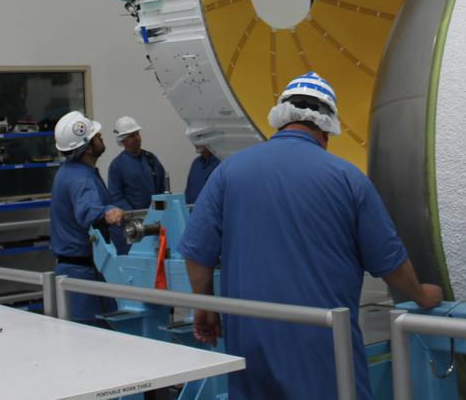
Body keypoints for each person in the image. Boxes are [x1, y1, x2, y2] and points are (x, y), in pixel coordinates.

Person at [179, 72, 442, 400]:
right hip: (324, 348)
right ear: (327, 130)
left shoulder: (229, 171)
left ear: (281, 120)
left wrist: (204, 307)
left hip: (251, 347)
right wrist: (420, 295)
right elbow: (390, 263)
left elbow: (197, 253)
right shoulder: (348, 179)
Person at [49, 110, 125, 324]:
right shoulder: (80, 178)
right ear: (87, 147)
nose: (101, 137)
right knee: (93, 339)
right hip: (83, 274)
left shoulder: (70, 172)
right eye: (97, 136)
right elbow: (88, 211)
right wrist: (108, 213)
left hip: (78, 270)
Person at [107, 116, 168, 211]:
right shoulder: (117, 165)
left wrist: (159, 211)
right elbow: (116, 196)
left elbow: (162, 187)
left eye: (137, 134)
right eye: (132, 136)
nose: (137, 138)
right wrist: (133, 215)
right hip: (133, 221)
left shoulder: (151, 158)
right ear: (122, 140)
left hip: (156, 215)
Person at [183, 139, 220, 205]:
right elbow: (188, 193)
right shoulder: (196, 163)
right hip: (194, 213)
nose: (195, 142)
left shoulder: (222, 162)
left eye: (199, 137)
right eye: (193, 138)